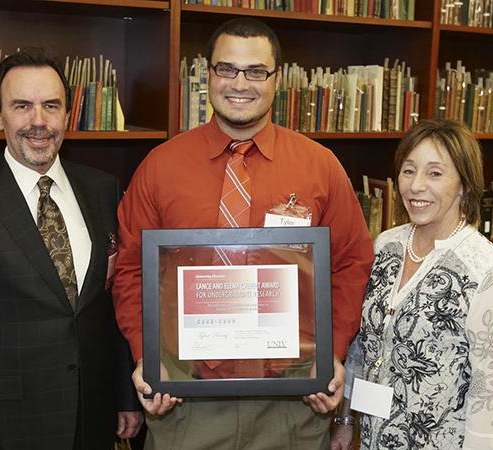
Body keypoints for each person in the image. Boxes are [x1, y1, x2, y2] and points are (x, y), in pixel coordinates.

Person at [112, 17, 374, 449]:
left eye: (256, 72)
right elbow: (130, 270)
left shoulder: (320, 166)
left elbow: (350, 263)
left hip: (291, 400)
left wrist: (331, 353)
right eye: (227, 69)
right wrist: (147, 357)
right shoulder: (160, 166)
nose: (240, 83)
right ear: (208, 74)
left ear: (278, 79)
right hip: (184, 400)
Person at [0, 49, 142, 450]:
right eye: (22, 106)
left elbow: (113, 301)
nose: (39, 121)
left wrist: (124, 397)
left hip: (92, 416)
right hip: (5, 426)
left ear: (68, 115)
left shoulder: (102, 188)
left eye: (51, 106)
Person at [331, 119, 493, 450]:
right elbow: (364, 348)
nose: (416, 186)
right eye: (409, 171)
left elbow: (490, 394)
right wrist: (346, 420)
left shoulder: (487, 272)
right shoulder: (385, 246)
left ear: (464, 184)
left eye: (435, 174)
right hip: (374, 439)